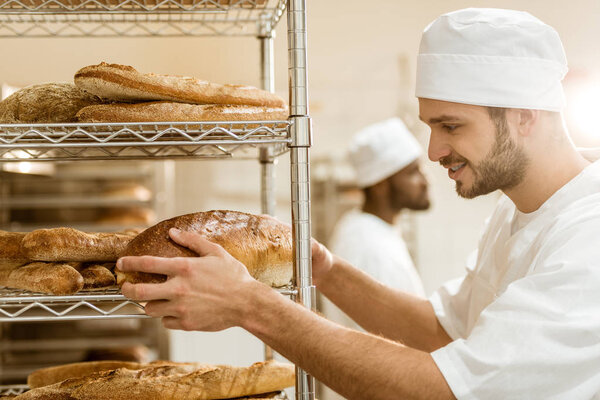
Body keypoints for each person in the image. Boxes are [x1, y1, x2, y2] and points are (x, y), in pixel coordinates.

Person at [117, 8, 600, 399]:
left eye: (450, 126)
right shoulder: (514, 213)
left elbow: (440, 390)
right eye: (430, 126)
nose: (433, 152)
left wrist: (251, 305)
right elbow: (441, 331)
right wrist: (325, 268)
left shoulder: (588, 237)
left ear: (524, 117)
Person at [329, 117, 429, 296]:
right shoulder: (371, 249)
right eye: (413, 172)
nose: (426, 181)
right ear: (380, 186)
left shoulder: (369, 229)